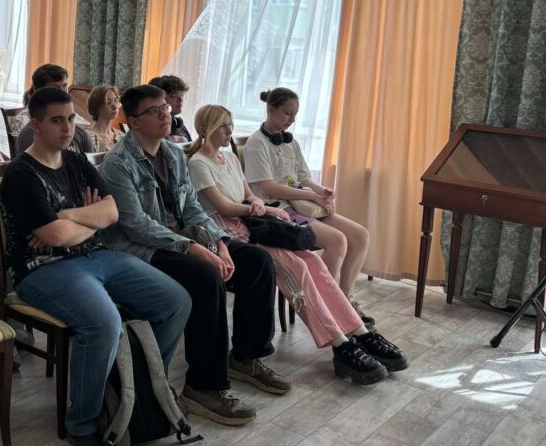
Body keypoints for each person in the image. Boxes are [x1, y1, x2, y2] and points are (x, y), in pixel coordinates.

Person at [0, 87, 191, 446]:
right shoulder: (21, 174)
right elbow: (55, 238)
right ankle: (83, 423)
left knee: (175, 301)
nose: (67, 127)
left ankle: (133, 386)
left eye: (71, 119)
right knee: (103, 323)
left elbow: (112, 212)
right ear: (35, 125)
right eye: (57, 120)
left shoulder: (76, 160)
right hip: (43, 269)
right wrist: (85, 219)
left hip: (97, 256)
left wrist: (67, 216)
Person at [99, 84, 289, 426]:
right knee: (205, 275)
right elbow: (137, 226)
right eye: (154, 111)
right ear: (133, 121)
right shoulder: (118, 163)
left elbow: (192, 209)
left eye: (165, 108)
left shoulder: (174, 154)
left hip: (183, 240)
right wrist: (193, 247)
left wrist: (219, 241)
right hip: (142, 250)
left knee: (257, 261)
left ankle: (246, 357)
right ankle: (203, 385)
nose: (165, 115)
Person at [188, 105, 407, 384]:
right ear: (204, 128)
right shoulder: (198, 163)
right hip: (227, 231)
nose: (229, 130)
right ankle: (340, 342)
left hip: (251, 222)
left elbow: (247, 194)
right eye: (222, 125)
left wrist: (257, 203)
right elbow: (224, 207)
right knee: (296, 268)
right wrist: (264, 208)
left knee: (313, 261)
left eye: (230, 124)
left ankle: (358, 331)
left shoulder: (229, 157)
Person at [243, 87, 374, 326]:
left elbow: (303, 176)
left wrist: (321, 191)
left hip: (301, 205)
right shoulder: (256, 144)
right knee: (337, 241)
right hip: (278, 210)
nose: (292, 120)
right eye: (287, 113)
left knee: (360, 236)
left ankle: (345, 301)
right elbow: (269, 187)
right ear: (270, 110)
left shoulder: (290, 142)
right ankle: (328, 308)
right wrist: (310, 195)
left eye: (295, 114)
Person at [14, 64, 92, 155]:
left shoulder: (81, 134)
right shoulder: (30, 134)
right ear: (40, 91)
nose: (63, 92)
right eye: (56, 88)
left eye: (65, 86)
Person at [148, 75, 191, 143]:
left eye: (182, 95)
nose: (181, 100)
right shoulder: (152, 129)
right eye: (175, 95)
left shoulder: (179, 125)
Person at [85, 84, 124, 153]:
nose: (115, 107)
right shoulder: (88, 137)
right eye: (109, 103)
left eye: (116, 101)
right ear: (97, 106)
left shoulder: (122, 136)